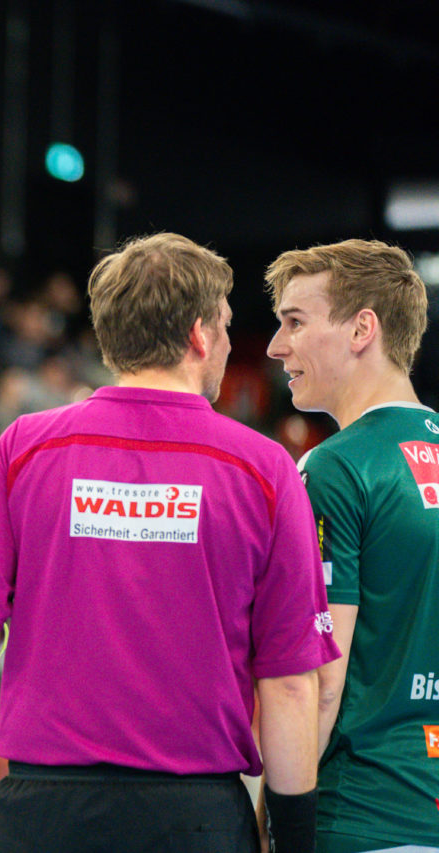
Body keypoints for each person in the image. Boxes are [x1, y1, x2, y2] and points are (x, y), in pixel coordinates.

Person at [0, 232, 339, 853]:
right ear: (200, 335)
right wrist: (295, 838)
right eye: (226, 326)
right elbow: (287, 685)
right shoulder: (265, 467)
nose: (229, 344)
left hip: (39, 812)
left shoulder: (26, 446)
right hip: (191, 814)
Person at [265, 240, 439, 853]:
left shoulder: (335, 468)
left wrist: (273, 821)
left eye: (295, 322)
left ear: (363, 328)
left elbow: (319, 680)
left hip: (361, 813)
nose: (275, 347)